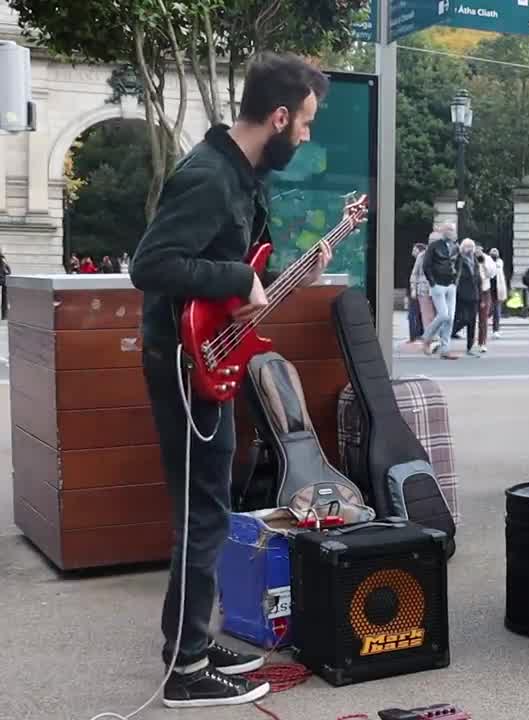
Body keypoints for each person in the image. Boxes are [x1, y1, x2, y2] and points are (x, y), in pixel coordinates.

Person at [128, 52, 331, 708]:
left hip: (209, 356)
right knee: (203, 511)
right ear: (277, 116)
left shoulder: (240, 177)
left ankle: (190, 639)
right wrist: (238, 279)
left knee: (210, 506)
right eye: (303, 123)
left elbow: (239, 271)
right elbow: (152, 264)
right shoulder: (210, 175)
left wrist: (260, 279)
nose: (305, 136)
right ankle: (185, 671)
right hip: (186, 364)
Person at [422, 227, 461, 359]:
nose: (453, 232)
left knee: (450, 318)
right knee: (443, 315)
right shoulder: (434, 246)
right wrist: (432, 282)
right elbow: (426, 265)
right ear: (444, 232)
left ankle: (445, 349)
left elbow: (459, 264)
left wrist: (456, 281)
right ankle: (427, 337)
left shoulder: (456, 247)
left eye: (453, 230)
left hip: (450, 285)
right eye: (450, 230)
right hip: (438, 284)